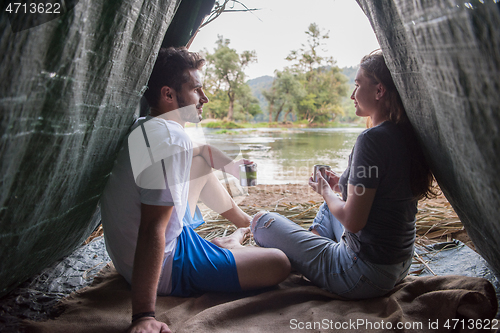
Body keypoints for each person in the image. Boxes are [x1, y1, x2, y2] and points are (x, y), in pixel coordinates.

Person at [100, 47, 290, 333]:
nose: (205, 98)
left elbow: (202, 154)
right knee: (279, 263)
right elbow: (152, 228)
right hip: (167, 265)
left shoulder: (149, 125)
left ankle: (243, 227)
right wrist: (143, 316)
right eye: (196, 90)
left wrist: (235, 168)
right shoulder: (171, 142)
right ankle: (233, 245)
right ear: (168, 94)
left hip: (147, 249)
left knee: (199, 163)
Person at [251, 50, 435, 300]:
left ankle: (307, 256)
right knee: (329, 208)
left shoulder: (371, 139)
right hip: (397, 265)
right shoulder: (403, 134)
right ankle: (310, 251)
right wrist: (340, 184)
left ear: (379, 91)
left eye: (358, 85)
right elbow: (379, 191)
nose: (352, 94)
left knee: (261, 221)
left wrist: (325, 191)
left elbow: (352, 222)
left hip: (361, 274)